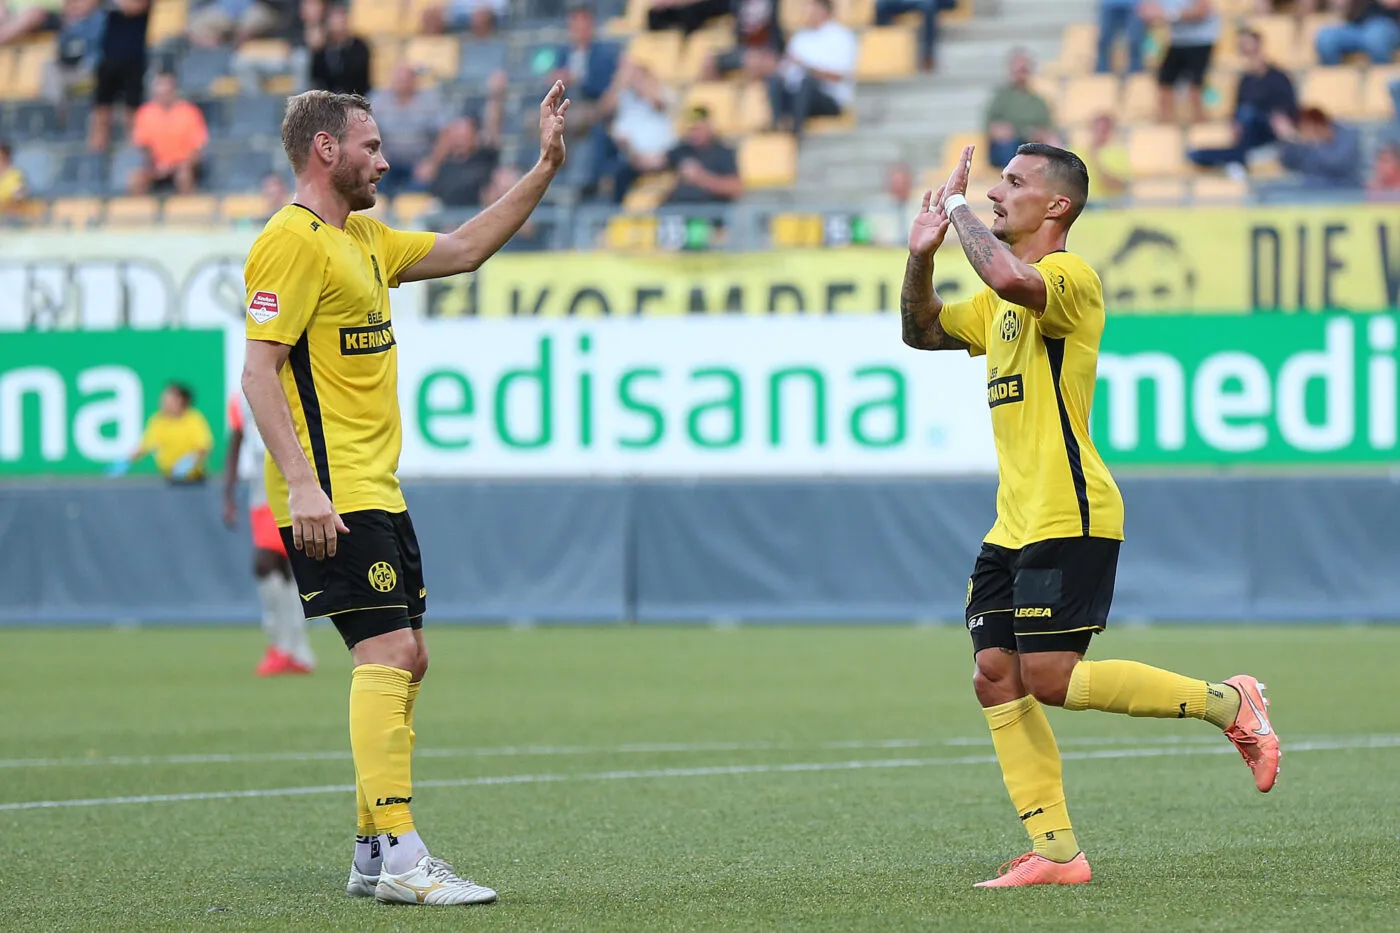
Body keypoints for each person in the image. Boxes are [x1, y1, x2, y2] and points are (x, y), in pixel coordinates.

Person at [897, 141, 1281, 887]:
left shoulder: (1069, 278)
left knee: (1049, 675)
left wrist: (954, 207)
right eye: (997, 182)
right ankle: (1058, 853)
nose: (998, 194)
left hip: (1070, 512)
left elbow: (1009, 272)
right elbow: (922, 331)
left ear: (1058, 205)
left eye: (1014, 183)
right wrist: (920, 256)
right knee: (994, 673)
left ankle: (1230, 702)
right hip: (1013, 523)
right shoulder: (998, 305)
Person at [239, 81, 568, 905]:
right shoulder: (291, 240)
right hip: (333, 494)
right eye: (371, 146)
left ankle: (370, 851)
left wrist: (544, 168)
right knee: (387, 655)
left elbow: (465, 247)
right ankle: (403, 856)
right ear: (325, 149)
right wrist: (306, 487)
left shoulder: (367, 239)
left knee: (409, 657)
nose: (385, 159)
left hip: (375, 487)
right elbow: (259, 372)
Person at [224, 391, 316, 677]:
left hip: (291, 486)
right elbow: (237, 442)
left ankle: (287, 645)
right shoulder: (241, 397)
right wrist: (227, 493)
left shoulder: (296, 386)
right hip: (259, 493)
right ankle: (292, 648)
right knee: (280, 567)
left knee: (269, 563)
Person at [1187, 27, 1296, 177]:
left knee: (1247, 113)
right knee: (1195, 154)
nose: (1244, 48)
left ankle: (1235, 159)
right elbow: (1237, 111)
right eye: (1241, 45)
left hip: (1270, 132)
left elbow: (1288, 110)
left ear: (1258, 45)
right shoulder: (1245, 81)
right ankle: (1238, 158)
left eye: (1247, 43)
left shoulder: (1278, 77)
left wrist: (1277, 120)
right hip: (1248, 135)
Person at [767, 0, 856, 138]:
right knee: (774, 80)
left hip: (829, 97)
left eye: (810, 8)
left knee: (806, 82)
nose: (806, 13)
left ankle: (796, 132)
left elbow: (840, 76)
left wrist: (806, 68)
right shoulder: (800, 37)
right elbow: (786, 70)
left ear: (823, 10)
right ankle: (777, 127)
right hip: (798, 94)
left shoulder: (841, 36)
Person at [109, 382, 214, 482]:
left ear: (181, 400)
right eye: (163, 398)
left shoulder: (194, 419)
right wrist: (125, 461)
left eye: (169, 399)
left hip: (194, 480)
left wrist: (187, 463)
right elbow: (144, 446)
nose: (163, 402)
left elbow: (203, 447)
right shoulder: (157, 421)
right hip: (169, 478)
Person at [128, 71, 209, 195]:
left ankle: (188, 210)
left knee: (183, 175)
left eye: (166, 88)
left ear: (174, 89)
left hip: (183, 166)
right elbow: (143, 145)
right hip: (156, 166)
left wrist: (179, 164)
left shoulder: (190, 112)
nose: (163, 92)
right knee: (135, 179)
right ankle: (139, 212)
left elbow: (197, 148)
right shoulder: (145, 113)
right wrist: (156, 165)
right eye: (159, 88)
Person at [1140, 0, 1218, 124]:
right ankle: (1167, 125)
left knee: (1196, 85)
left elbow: (1201, 12)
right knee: (1164, 83)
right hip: (1177, 42)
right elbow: (1147, 12)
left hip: (1200, 41)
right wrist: (1177, 15)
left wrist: (1169, 16)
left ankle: (1201, 124)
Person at [984, 48, 1053, 169]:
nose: (1020, 74)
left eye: (1024, 70)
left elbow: (1047, 130)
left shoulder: (1038, 101)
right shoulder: (1000, 97)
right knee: (1009, 147)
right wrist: (1000, 130)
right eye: (1018, 70)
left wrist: (1038, 134)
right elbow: (990, 127)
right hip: (1007, 146)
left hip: (1030, 144)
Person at [1270, 105, 1362, 189]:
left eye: (1308, 128)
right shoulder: (1307, 145)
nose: (1306, 134)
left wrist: (1312, 144)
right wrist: (1288, 140)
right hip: (1312, 192)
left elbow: (1335, 163)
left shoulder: (1348, 137)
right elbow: (1289, 164)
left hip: (1346, 191)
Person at [307, 1, 369, 96]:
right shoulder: (323, 48)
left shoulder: (359, 45)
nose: (339, 23)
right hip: (327, 98)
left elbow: (358, 77)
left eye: (341, 19)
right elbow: (316, 77)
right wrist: (317, 51)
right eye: (335, 19)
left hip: (356, 95)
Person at [1316, 0, 1400, 65]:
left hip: (1387, 24)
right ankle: (1335, 83)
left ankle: (1380, 81)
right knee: (1326, 38)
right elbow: (1338, 5)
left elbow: (1392, 2)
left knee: (1375, 39)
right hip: (1355, 25)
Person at [1095, 0, 1144, 74]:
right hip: (1109, 5)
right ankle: (1102, 72)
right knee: (1104, 42)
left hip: (1132, 5)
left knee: (1135, 41)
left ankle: (1136, 72)